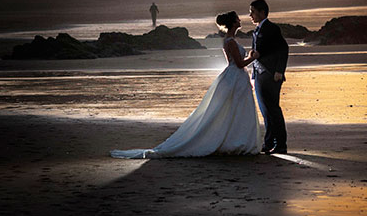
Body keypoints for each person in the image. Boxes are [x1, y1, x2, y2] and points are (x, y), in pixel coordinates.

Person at [110, 11, 260, 158]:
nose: (240, 21)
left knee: (234, 109)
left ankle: (235, 140)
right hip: (235, 76)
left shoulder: (230, 40)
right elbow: (239, 64)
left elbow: (234, 62)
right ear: (233, 22)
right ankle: (235, 141)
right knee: (234, 108)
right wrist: (253, 58)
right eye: (238, 19)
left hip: (235, 77)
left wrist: (248, 57)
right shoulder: (230, 41)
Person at [249, 0, 289, 154]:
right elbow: (256, 54)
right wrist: (253, 75)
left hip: (272, 75)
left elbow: (283, 49)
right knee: (265, 111)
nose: (250, 15)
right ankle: (268, 142)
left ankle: (281, 144)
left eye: (253, 11)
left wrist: (280, 71)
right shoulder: (256, 30)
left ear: (262, 12)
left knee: (273, 110)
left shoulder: (272, 28)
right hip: (259, 75)